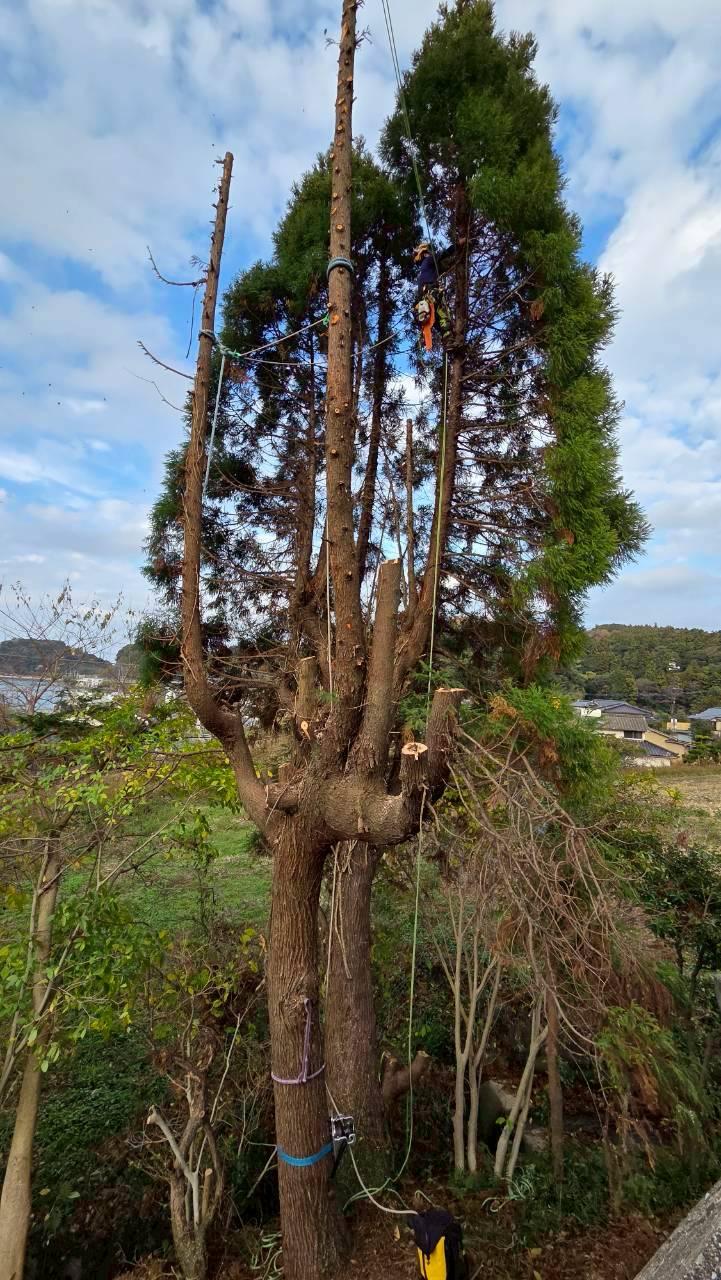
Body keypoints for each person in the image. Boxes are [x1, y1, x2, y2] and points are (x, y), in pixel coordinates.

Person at [412, 240, 464, 348]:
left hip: (424, 299)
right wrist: (458, 244)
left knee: (435, 321)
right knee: (442, 315)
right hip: (431, 294)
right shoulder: (429, 261)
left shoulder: (426, 267)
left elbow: (445, 264)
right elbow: (445, 254)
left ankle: (448, 341)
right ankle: (448, 339)